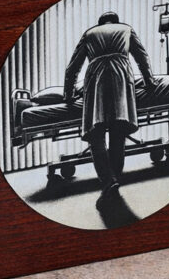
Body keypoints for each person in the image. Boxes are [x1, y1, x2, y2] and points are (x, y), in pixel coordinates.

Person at [64, 12, 159, 207]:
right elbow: (142, 58)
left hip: (95, 80)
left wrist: (68, 95)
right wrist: (150, 82)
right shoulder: (126, 29)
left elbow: (72, 68)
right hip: (121, 78)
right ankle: (114, 181)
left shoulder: (89, 33)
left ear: (100, 23)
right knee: (118, 132)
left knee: (95, 134)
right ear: (115, 21)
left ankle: (109, 182)